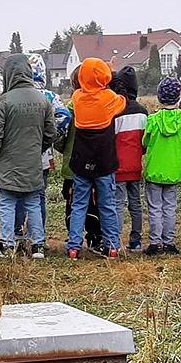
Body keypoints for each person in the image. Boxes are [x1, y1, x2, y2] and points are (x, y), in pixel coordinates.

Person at [0, 53, 56, 258]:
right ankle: (37, 246)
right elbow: (51, 133)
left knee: (7, 203)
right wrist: (37, 149)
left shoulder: (5, 101)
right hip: (33, 161)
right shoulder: (42, 99)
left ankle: (7, 245)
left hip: (8, 162)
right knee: (33, 202)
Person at [65, 57, 126, 260]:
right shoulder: (110, 98)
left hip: (81, 160)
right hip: (105, 160)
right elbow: (123, 98)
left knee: (79, 204)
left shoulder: (77, 98)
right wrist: (114, 74)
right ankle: (112, 245)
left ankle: (73, 246)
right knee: (107, 204)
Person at [141, 78, 181, 254]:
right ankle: (169, 242)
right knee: (170, 208)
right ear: (179, 97)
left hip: (154, 169)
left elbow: (145, 141)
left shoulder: (152, 120)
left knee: (155, 208)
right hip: (173, 169)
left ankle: (155, 243)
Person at [30, 54, 71, 252]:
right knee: (39, 197)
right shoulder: (50, 96)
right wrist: (51, 138)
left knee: (19, 197)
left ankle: (20, 237)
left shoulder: (18, 94)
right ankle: (39, 237)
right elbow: (64, 117)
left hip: (20, 155)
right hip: (43, 155)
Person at [111, 66, 148, 251]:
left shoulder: (115, 111)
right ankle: (136, 240)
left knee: (117, 204)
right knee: (136, 204)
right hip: (135, 166)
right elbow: (145, 142)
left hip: (118, 166)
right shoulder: (142, 111)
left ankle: (115, 241)